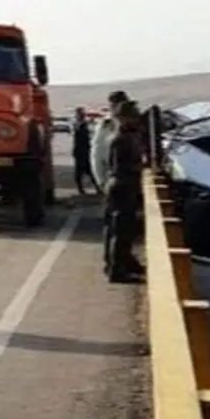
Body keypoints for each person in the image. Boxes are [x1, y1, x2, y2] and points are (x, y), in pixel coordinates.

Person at [103, 99, 146, 283]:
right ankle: (116, 270)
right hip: (122, 187)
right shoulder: (121, 139)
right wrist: (140, 167)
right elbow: (122, 167)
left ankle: (122, 264)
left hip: (121, 186)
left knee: (123, 230)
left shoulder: (126, 136)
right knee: (121, 231)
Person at [91, 90, 129, 192]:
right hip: (114, 177)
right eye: (115, 104)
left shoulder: (133, 123)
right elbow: (97, 154)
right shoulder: (105, 125)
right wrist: (101, 181)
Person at [70, 107, 100, 196]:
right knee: (81, 172)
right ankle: (82, 189)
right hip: (80, 151)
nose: (81, 116)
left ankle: (97, 188)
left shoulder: (83, 125)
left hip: (85, 150)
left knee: (90, 171)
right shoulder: (77, 125)